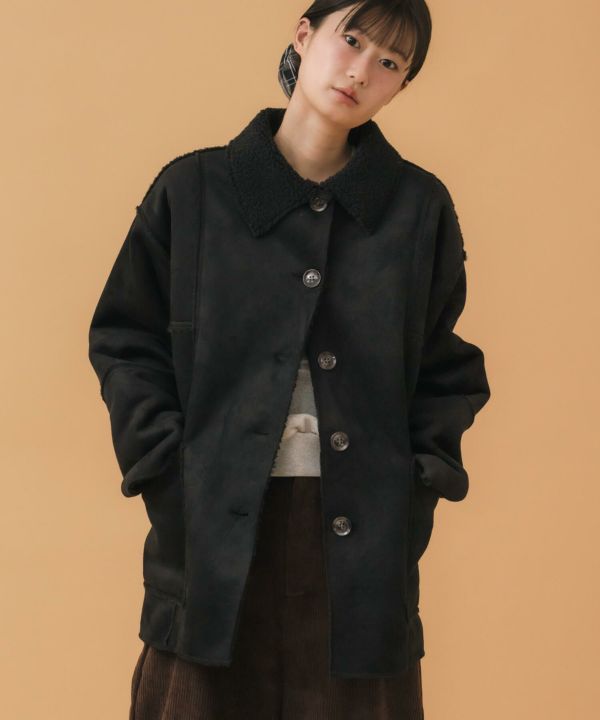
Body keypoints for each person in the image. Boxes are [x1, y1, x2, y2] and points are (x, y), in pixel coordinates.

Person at [88, 1, 491, 718]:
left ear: (401, 86)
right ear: (304, 36)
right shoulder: (193, 192)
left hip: (361, 548)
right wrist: (167, 470)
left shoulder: (417, 208)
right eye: (351, 40)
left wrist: (416, 488)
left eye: (389, 62)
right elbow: (125, 341)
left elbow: (444, 369)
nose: (360, 70)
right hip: (210, 534)